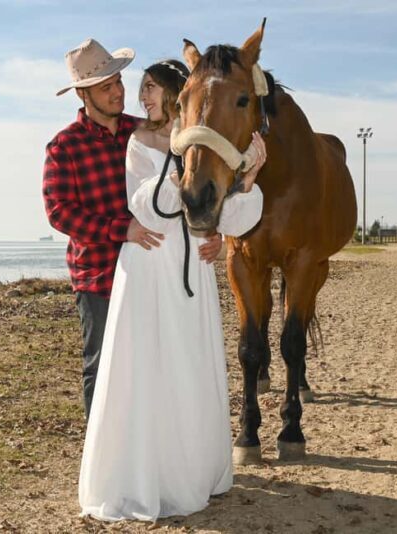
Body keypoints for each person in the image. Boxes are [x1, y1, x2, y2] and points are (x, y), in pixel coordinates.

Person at [78, 59, 267, 522]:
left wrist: (247, 176)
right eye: (140, 88)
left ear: (176, 96)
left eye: (150, 88)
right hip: (149, 269)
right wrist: (183, 159)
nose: (142, 97)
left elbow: (235, 216)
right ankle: (149, 478)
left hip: (192, 273)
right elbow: (153, 206)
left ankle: (193, 470)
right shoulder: (139, 143)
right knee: (148, 369)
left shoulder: (204, 148)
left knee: (189, 366)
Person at [42, 40, 221, 421]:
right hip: (99, 273)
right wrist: (121, 229)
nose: (119, 91)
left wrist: (210, 230)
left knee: (149, 365)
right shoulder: (64, 147)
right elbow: (59, 213)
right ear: (83, 94)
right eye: (106, 86)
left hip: (152, 269)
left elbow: (191, 183)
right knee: (102, 363)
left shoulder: (146, 130)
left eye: (119, 82)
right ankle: (102, 455)